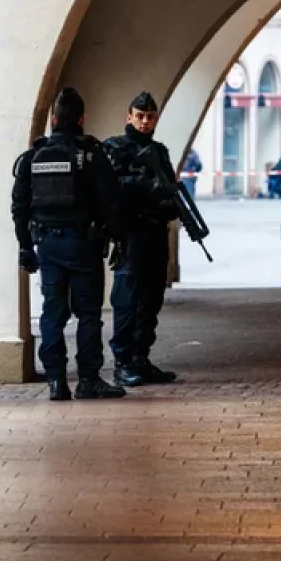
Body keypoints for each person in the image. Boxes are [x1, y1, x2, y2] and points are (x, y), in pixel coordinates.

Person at [11, 87, 127, 401]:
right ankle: (88, 379)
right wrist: (119, 239)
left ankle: (56, 382)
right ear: (81, 120)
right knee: (88, 314)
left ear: (53, 119)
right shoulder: (91, 154)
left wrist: (25, 246)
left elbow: (19, 206)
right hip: (83, 246)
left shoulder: (33, 156)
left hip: (47, 245)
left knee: (52, 313)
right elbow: (110, 201)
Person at [103, 91, 180, 387]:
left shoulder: (159, 152)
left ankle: (140, 358)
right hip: (131, 233)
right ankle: (122, 361)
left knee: (151, 299)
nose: (145, 122)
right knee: (127, 298)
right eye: (140, 116)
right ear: (129, 117)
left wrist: (169, 202)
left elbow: (170, 188)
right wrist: (143, 186)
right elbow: (110, 188)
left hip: (155, 231)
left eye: (150, 117)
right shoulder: (115, 149)